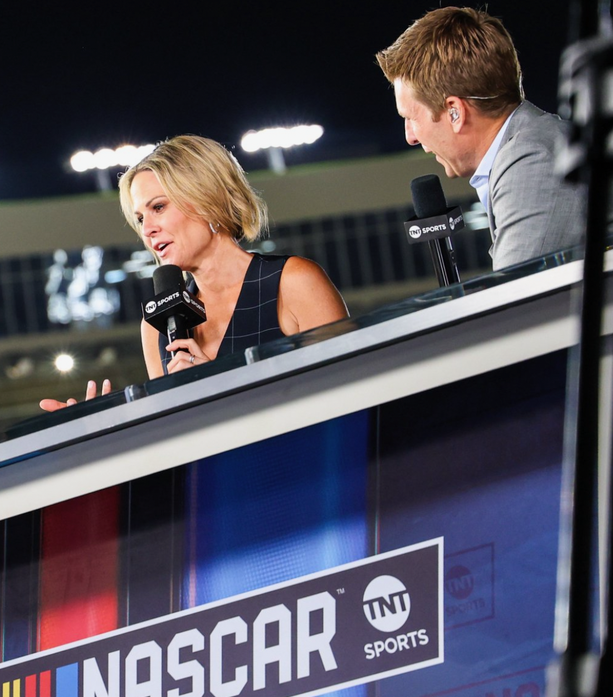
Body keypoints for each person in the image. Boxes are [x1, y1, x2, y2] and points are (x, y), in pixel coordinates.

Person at [40, 135, 348, 410]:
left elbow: (350, 396)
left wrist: (219, 385)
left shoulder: (293, 283)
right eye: (139, 218)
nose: (147, 229)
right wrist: (100, 430)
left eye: (158, 207)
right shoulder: (155, 328)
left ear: (206, 200)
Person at [377, 7, 585, 271]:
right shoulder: (531, 147)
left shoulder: (532, 160)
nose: (410, 137)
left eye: (411, 117)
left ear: (455, 112)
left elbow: (517, 306)